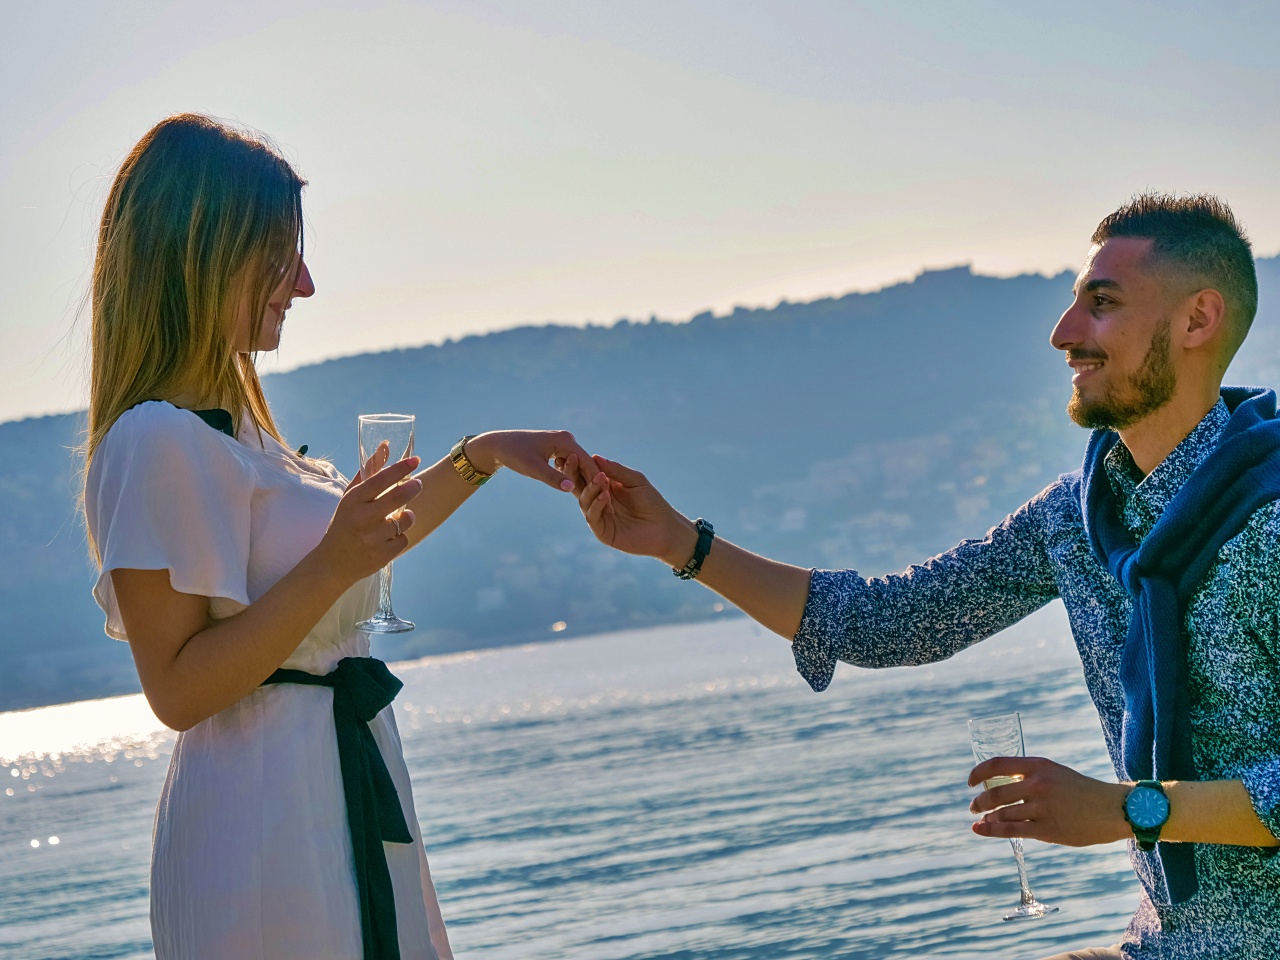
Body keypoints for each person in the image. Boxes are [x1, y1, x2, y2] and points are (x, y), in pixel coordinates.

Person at [564, 193, 1280, 958]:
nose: (1062, 333)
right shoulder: (1074, 519)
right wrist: (682, 543)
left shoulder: (1269, 518)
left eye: (1101, 304)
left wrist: (1127, 809)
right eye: (1073, 303)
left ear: (1197, 321)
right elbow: (888, 621)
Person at [81, 113, 598, 960]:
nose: (306, 284)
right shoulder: (155, 442)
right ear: (204, 253)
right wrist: (330, 562)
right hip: (262, 824)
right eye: (282, 254)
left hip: (327, 784)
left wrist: (484, 456)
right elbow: (176, 690)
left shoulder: (239, 438)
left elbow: (361, 557)